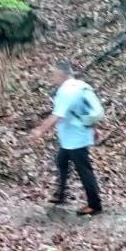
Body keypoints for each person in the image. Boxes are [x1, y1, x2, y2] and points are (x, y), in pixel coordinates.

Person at [30, 61, 103, 216]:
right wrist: (93, 129)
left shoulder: (65, 91)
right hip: (75, 135)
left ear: (61, 75)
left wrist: (39, 131)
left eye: (53, 74)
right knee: (61, 161)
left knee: (84, 170)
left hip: (74, 138)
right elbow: (85, 108)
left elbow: (57, 115)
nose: (52, 78)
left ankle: (94, 204)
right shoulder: (80, 85)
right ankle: (61, 194)